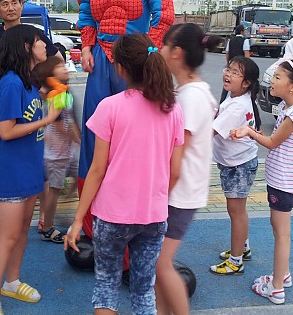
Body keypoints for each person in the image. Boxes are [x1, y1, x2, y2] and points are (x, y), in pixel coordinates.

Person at [76, 0, 175, 268]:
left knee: (138, 135)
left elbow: (162, 17)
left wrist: (150, 52)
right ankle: (90, 222)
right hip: (102, 60)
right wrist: (86, 48)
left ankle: (139, 219)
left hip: (133, 60)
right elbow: (87, 20)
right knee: (94, 135)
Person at [66, 33, 184, 315]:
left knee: (107, 287)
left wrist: (79, 218)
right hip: (153, 216)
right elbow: (175, 170)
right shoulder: (172, 109)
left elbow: (97, 169)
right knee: (143, 290)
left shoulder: (110, 107)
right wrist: (156, 199)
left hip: (112, 216)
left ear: (120, 68)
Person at [231, 59, 293, 305]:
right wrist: (260, 135)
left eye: (277, 77)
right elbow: (279, 139)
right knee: (279, 229)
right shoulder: (290, 106)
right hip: (282, 177)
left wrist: (249, 132)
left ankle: (276, 288)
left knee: (281, 233)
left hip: (285, 180)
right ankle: (282, 275)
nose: (272, 81)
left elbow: (273, 143)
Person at [0, 24, 62, 315]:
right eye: (40, 41)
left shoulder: (28, 82)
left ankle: (12, 282)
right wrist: (46, 120)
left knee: (22, 230)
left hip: (30, 167)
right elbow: (6, 132)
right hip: (11, 171)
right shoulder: (11, 84)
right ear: (26, 47)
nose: (45, 46)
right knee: (8, 235)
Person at [156, 24, 218, 315]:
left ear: (176, 52)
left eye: (164, 45)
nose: (160, 50)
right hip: (180, 191)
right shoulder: (192, 91)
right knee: (157, 266)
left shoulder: (191, 97)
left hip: (178, 194)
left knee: (160, 265)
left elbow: (176, 158)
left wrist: (158, 195)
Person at [210, 56, 261, 276]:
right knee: (238, 210)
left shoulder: (236, 106)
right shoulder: (237, 98)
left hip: (238, 165)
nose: (228, 74)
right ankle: (243, 247)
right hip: (238, 162)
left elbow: (209, 132)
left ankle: (236, 261)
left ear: (247, 82)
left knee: (236, 212)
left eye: (235, 73)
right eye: (228, 69)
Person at [33, 55, 81, 243]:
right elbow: (61, 124)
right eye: (60, 67)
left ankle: (69, 210)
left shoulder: (65, 92)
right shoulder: (54, 94)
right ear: (50, 74)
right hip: (55, 153)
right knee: (54, 189)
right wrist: (77, 139)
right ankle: (47, 227)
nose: (65, 69)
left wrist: (77, 140)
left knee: (80, 178)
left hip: (68, 151)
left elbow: (71, 120)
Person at [220, 24, 251, 102]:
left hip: (232, 64)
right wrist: (247, 66)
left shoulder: (230, 40)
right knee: (241, 82)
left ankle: (222, 101)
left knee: (228, 81)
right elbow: (246, 54)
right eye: (244, 31)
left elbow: (227, 53)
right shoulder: (245, 40)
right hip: (241, 65)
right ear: (242, 31)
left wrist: (228, 63)